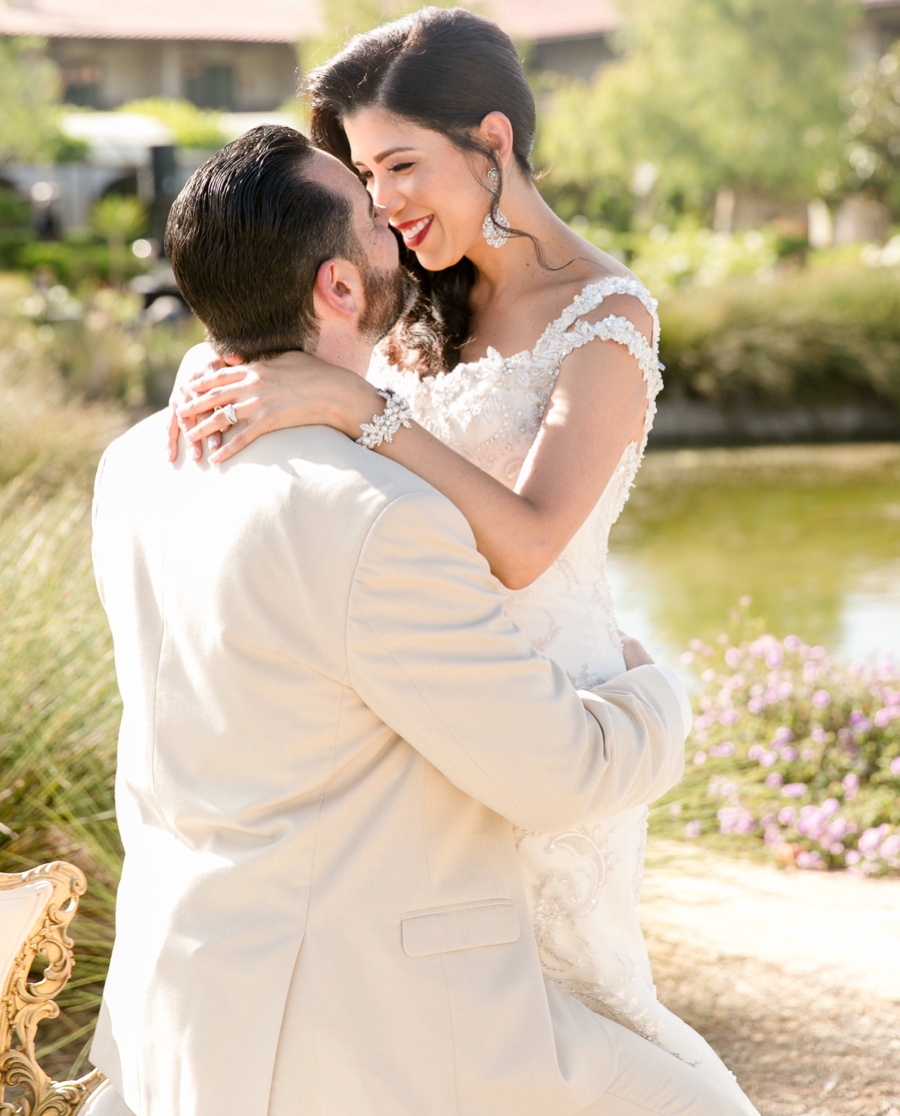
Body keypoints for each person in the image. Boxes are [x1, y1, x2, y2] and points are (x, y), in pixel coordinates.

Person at [92, 124, 756, 1116]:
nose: (393, 223)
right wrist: (654, 694)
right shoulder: (381, 519)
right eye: (369, 214)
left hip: (173, 995)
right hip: (357, 1021)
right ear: (340, 289)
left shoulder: (137, 463)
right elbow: (563, 774)